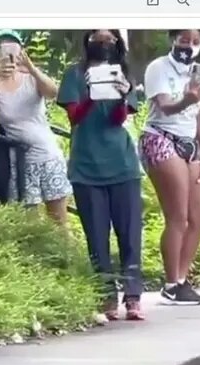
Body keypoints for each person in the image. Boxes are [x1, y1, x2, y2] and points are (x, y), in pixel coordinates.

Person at [58, 30, 147, 321]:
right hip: (86, 166)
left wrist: (121, 96)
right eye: (98, 36)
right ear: (87, 40)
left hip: (122, 164)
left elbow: (119, 119)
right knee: (97, 236)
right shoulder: (74, 74)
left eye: (110, 38)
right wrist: (92, 94)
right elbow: (74, 117)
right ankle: (106, 295)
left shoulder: (123, 74)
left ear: (118, 44)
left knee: (129, 233)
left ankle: (133, 296)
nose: (104, 42)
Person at [141, 29, 200, 306]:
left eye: (195, 42)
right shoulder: (158, 68)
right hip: (160, 137)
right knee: (178, 216)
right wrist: (187, 99)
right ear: (173, 39)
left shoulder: (198, 73)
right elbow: (164, 107)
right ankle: (171, 282)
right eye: (185, 39)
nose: (189, 46)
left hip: (189, 143)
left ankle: (181, 281)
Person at [0, 29, 72, 224]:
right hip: (19, 160)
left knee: (59, 221)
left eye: (13, 45)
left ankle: (65, 254)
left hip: (47, 155)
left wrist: (32, 68)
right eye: (2, 47)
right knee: (30, 221)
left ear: (22, 50)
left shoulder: (31, 77)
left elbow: (54, 93)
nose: (8, 52)